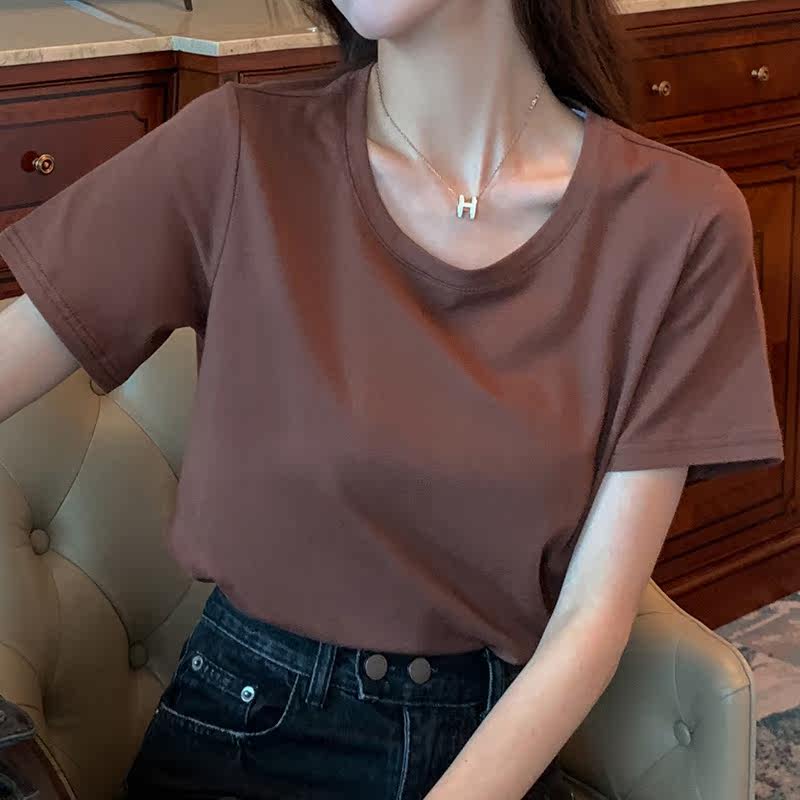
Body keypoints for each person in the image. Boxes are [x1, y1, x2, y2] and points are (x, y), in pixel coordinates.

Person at [0, 0, 785, 798]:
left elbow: (591, 619)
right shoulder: (238, 149)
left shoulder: (677, 223)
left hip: (493, 749)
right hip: (244, 743)